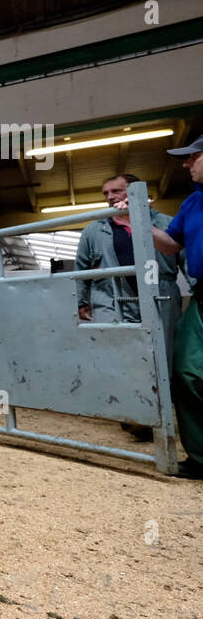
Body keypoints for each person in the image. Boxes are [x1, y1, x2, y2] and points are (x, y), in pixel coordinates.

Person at [75, 173, 182, 442]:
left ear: (135, 191)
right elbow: (81, 268)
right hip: (109, 296)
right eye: (106, 193)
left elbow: (187, 261)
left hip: (160, 294)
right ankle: (134, 415)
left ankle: (159, 415)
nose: (110, 197)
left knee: (161, 356)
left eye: (116, 191)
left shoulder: (166, 223)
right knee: (121, 356)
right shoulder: (94, 229)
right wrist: (81, 301)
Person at [142, 135, 203, 476]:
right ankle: (200, 458)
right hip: (201, 295)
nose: (185, 163)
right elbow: (170, 245)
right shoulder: (193, 203)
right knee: (187, 371)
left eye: (193, 157)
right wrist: (140, 219)